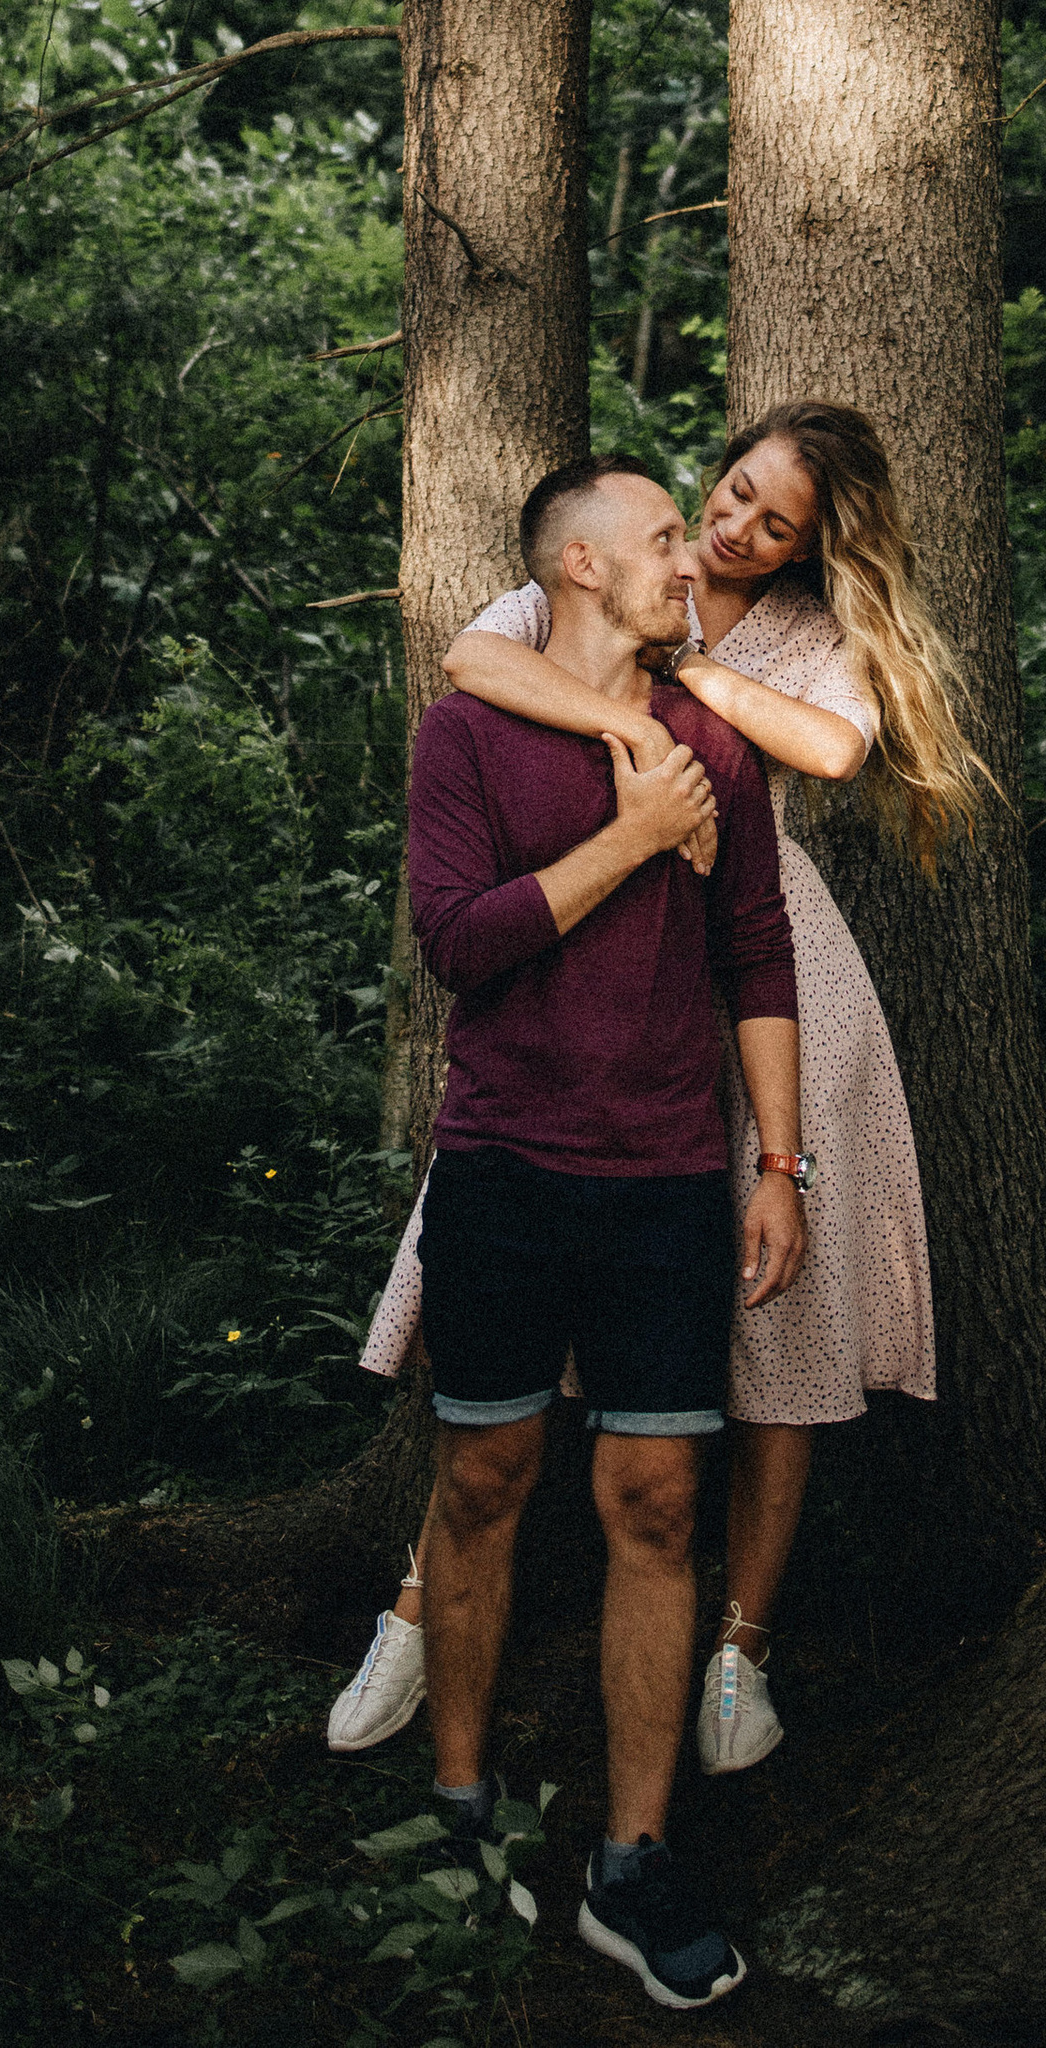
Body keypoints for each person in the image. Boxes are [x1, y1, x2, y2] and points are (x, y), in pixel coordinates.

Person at [330, 402, 985, 1781]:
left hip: (762, 943)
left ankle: (741, 1647)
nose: (734, 530)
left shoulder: (785, 627)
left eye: (773, 523)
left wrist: (685, 681)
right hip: (613, 912)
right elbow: (470, 662)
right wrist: (638, 740)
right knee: (508, 1255)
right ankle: (422, 1599)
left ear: (809, 548)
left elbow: (833, 749)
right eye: (732, 493)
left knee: (781, 1309)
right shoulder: (603, 565)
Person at [359, 452, 805, 2013]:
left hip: (669, 1182)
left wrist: (781, 1167)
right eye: (666, 536)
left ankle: (633, 1861)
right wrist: (628, 836)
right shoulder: (469, 734)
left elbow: (758, 954)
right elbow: (458, 943)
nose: (693, 560)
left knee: (658, 1506)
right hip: (502, 1173)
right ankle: (459, 1802)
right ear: (580, 566)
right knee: (483, 1481)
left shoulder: (713, 747)